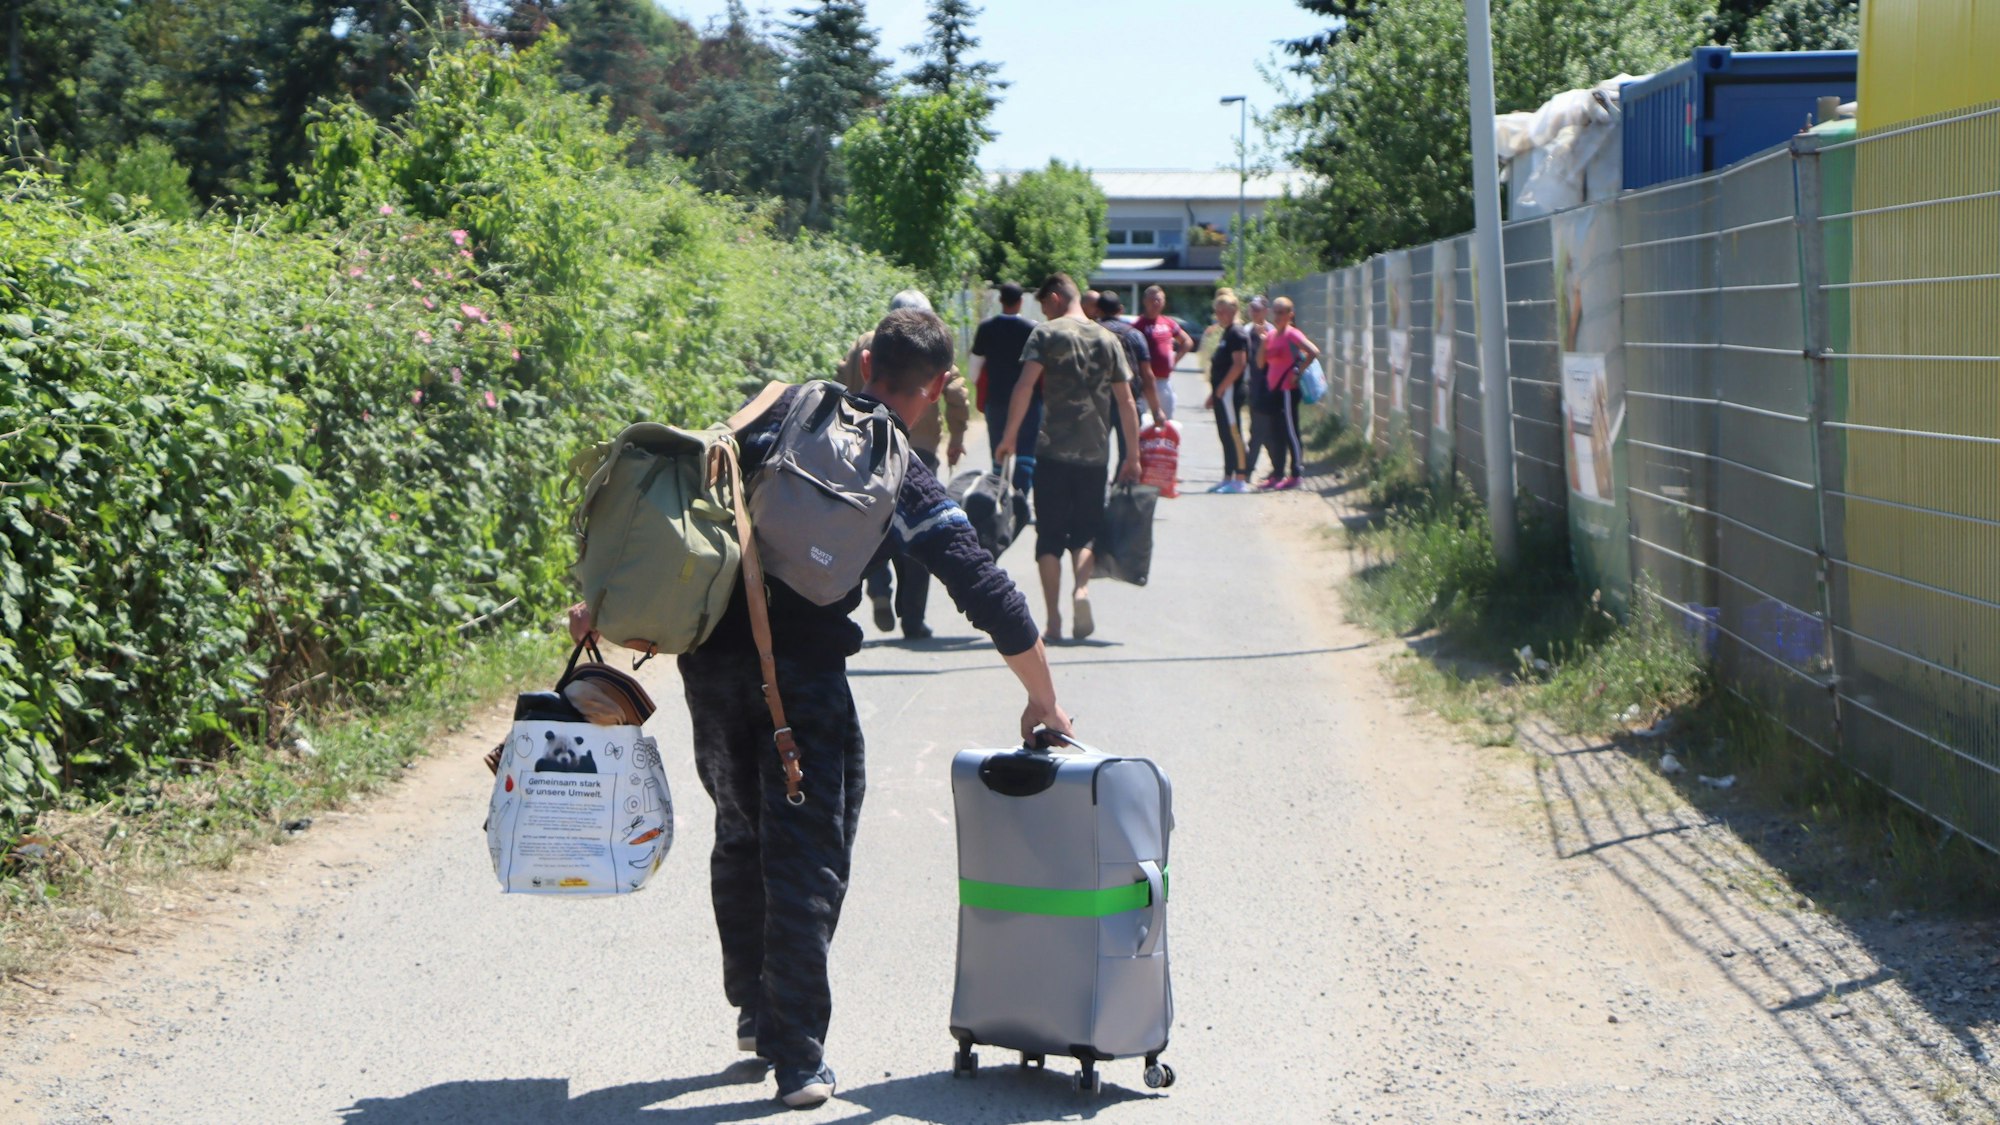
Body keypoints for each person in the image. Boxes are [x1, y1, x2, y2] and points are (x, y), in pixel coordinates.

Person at [576, 309, 1072, 1111]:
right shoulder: (899, 468)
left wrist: (603, 599)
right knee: (808, 856)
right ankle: (797, 1053)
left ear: (866, 362)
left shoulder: (773, 409)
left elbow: (677, 504)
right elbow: (982, 584)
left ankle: (754, 1004)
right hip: (802, 684)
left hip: (711, 667)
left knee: (741, 831)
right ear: (937, 387)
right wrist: (1042, 697)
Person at [995, 274, 1143, 643]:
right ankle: (1081, 590)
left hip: (1051, 453)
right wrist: (1133, 455)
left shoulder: (1046, 334)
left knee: (1048, 536)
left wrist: (1010, 437)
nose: (1044, 313)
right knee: (1086, 532)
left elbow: (1025, 386)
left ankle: (1054, 622)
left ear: (1057, 298)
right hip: (1095, 454)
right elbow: (1126, 401)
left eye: (1045, 305)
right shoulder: (1108, 339)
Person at [838, 290, 969, 640]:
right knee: (920, 525)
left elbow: (840, 382)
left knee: (865, 517)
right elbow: (957, 394)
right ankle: (913, 618)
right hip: (919, 449)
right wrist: (957, 436)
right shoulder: (932, 348)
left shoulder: (868, 344)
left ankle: (878, 584)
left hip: (864, 443)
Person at [969, 281, 1037, 500]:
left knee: (998, 451)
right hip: (1028, 401)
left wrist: (980, 387)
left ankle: (999, 498)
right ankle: (1020, 500)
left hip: (996, 398)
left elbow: (974, 368)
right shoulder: (1032, 329)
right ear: (1021, 301)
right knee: (1025, 452)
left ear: (1000, 301)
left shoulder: (987, 328)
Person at [1094, 290, 1163, 466]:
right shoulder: (1135, 335)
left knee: (1096, 452)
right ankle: (1123, 481)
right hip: (1130, 399)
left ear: (1097, 310)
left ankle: (1098, 483)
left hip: (1098, 401)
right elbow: (1147, 375)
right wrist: (1156, 410)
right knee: (1128, 452)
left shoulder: (1091, 334)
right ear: (1121, 309)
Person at [1257, 295, 1320, 491]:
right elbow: (1260, 363)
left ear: (1290, 314)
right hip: (1274, 389)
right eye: (1275, 312)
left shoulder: (1292, 334)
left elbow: (1313, 351)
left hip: (1287, 391)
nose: (1277, 316)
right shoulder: (1271, 336)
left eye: (1282, 312)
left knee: (1291, 432)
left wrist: (1298, 371)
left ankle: (1296, 473)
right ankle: (1277, 474)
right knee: (1276, 433)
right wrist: (1262, 342)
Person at [1203, 290, 1252, 493]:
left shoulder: (1237, 333)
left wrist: (1222, 387)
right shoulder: (1227, 332)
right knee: (1225, 434)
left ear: (1234, 311)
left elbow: (1239, 364)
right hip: (1222, 392)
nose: (1220, 315)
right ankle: (1227, 477)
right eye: (1217, 311)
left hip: (1231, 391)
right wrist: (1214, 393)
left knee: (1233, 433)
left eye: (1223, 311)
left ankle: (1240, 478)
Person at [1132, 285, 1194, 422]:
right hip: (1144, 383)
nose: (1155, 303)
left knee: (1167, 422)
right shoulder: (1138, 325)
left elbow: (1187, 342)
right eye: (1152, 300)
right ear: (1145, 302)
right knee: (1141, 422)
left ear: (1164, 302)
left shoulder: (1168, 323)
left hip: (1164, 381)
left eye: (1159, 300)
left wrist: (1174, 360)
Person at [1241, 295, 1273, 484]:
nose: (1254, 312)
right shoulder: (1246, 331)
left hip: (1270, 388)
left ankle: (1247, 471)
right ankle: (1277, 468)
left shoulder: (1272, 332)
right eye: (1252, 308)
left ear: (1266, 311)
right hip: (1253, 387)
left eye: (1258, 309)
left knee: (1260, 430)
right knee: (1262, 430)